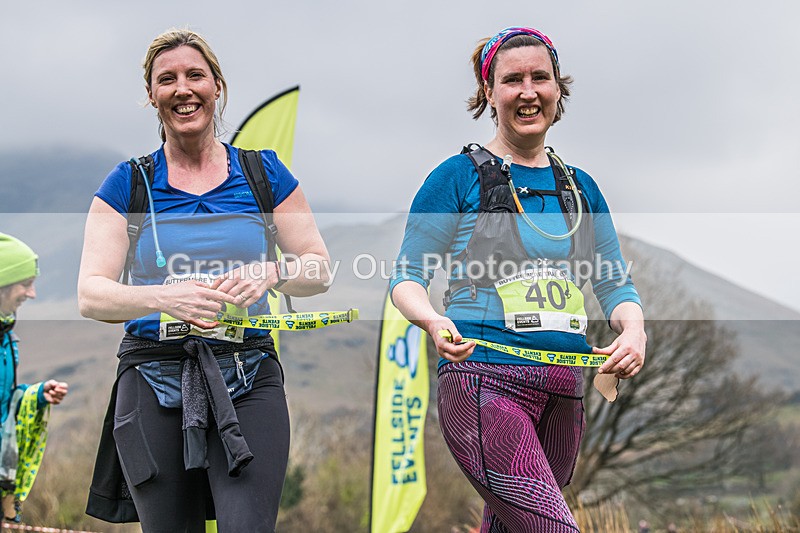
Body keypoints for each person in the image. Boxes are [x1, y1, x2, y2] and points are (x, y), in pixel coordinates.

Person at [390, 27, 646, 531]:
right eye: (512, 80)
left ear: (557, 88)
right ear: (489, 93)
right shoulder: (455, 177)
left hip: (565, 388)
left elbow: (614, 284)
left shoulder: (582, 188)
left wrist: (634, 331)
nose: (528, 91)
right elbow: (406, 277)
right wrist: (433, 321)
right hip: (485, 380)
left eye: (540, 78)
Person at [78, 28, 330, 532]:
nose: (183, 89)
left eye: (195, 75)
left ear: (217, 85)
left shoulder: (263, 173)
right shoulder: (129, 183)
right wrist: (165, 296)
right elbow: (91, 295)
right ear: (151, 94)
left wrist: (273, 272)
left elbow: (319, 269)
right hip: (152, 376)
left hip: (248, 372)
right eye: (167, 79)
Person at [0, 233, 69, 521]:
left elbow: (4, 404)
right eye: (26, 284)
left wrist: (36, 395)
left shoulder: (6, 336)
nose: (32, 294)